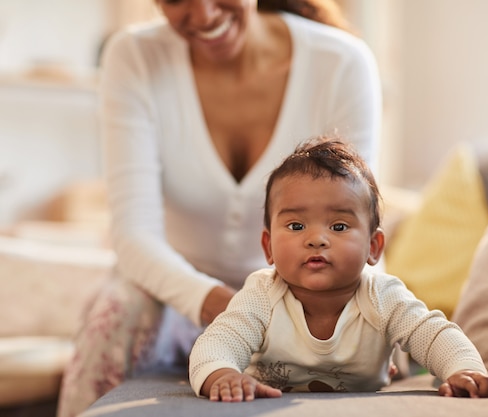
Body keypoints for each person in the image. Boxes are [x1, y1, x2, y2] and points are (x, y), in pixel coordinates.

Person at [57, 1, 382, 416]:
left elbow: (357, 217)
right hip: (169, 288)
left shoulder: (342, 63)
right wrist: (234, 310)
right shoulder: (133, 57)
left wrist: (367, 322)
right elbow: (133, 234)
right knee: (116, 313)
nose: (204, 14)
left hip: (297, 289)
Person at [189, 137, 488, 401]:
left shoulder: (382, 296)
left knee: (408, 343)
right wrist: (223, 374)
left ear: (373, 247)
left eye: (338, 226)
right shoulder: (261, 294)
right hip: (273, 392)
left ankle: (399, 363)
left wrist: (463, 369)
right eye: (296, 225)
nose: (316, 239)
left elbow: (434, 335)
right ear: (268, 247)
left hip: (374, 366)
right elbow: (218, 341)